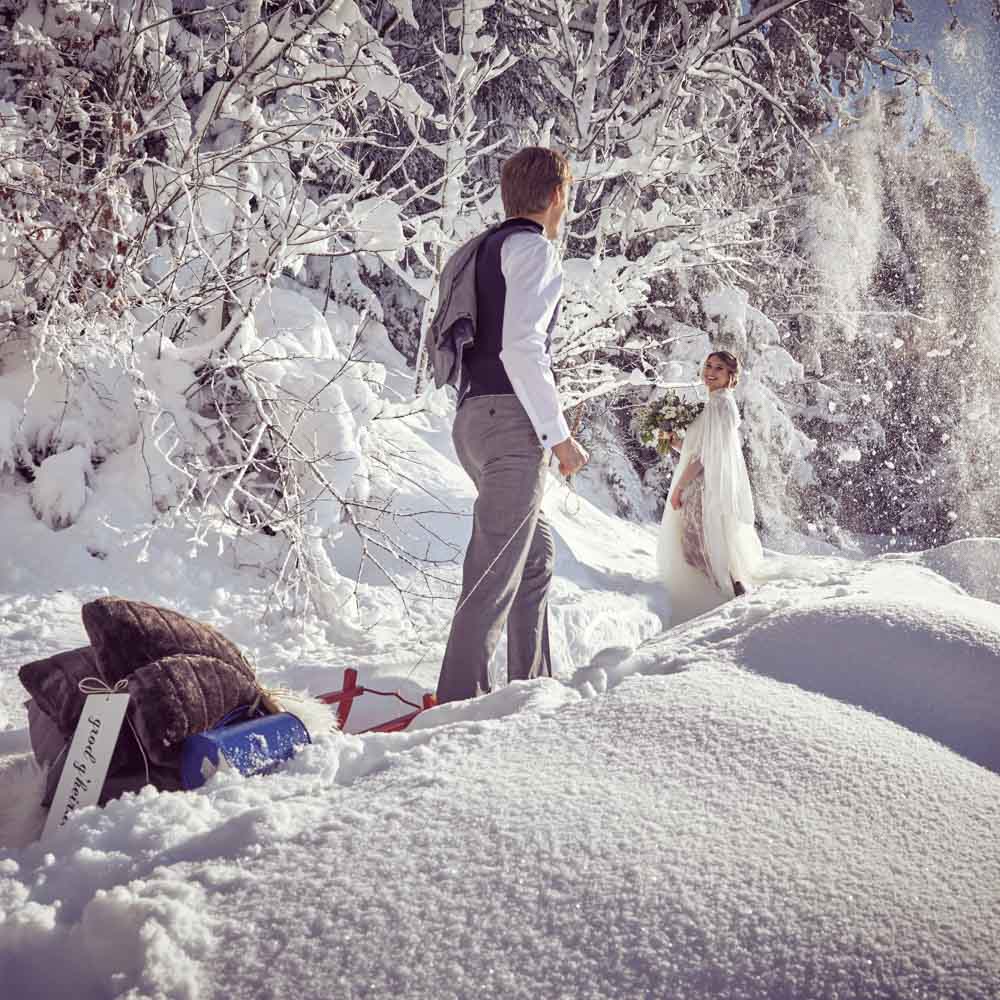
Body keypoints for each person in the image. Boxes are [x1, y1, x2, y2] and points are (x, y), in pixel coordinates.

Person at [435, 147, 589, 704]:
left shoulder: (481, 251)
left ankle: (532, 687)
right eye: (566, 194)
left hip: (472, 422)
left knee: (534, 554)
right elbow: (522, 348)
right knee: (492, 573)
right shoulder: (534, 251)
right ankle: (459, 703)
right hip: (508, 424)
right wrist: (560, 437)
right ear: (554, 197)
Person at [656, 351, 763, 625]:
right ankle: (728, 594)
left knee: (699, 546)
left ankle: (727, 600)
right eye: (708, 366)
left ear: (731, 376)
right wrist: (673, 439)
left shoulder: (719, 405)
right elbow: (697, 448)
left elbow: (703, 456)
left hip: (705, 486)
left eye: (719, 368)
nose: (710, 371)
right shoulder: (716, 404)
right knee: (703, 545)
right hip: (705, 482)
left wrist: (680, 487)